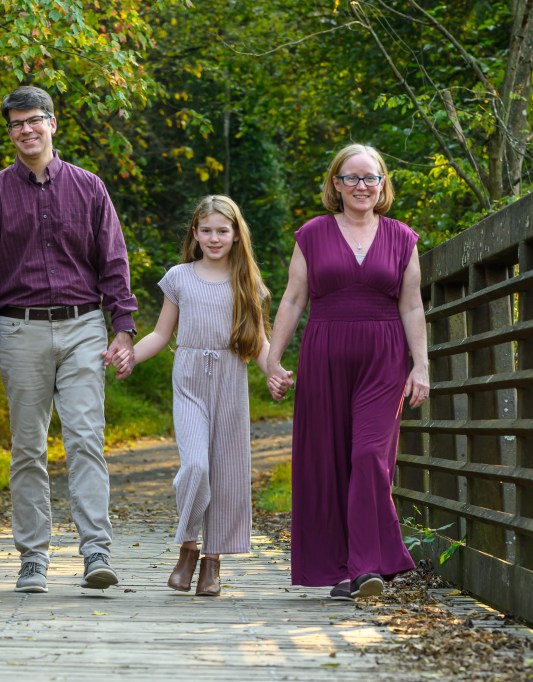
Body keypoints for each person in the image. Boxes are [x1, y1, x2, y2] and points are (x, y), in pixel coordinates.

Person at [0, 85, 137, 594]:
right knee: (28, 447)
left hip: (83, 327)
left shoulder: (90, 188)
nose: (26, 130)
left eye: (35, 120)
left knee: (85, 440)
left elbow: (114, 262)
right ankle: (33, 557)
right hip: (19, 328)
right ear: (9, 132)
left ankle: (96, 551)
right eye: (16, 124)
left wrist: (123, 327)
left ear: (53, 124)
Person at [266, 144, 429, 600]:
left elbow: (412, 305)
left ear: (383, 185)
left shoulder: (401, 237)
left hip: (384, 357)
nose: (362, 187)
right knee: (329, 461)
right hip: (325, 353)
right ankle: (348, 566)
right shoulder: (313, 234)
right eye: (352, 178)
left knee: (368, 457)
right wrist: (273, 360)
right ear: (336, 184)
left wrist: (422, 365)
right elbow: (294, 299)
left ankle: (369, 562)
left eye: (371, 178)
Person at [113, 195, 270, 596]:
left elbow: (261, 343)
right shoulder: (180, 276)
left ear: (236, 235)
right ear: (195, 234)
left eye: (222, 231)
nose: (214, 238)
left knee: (227, 472)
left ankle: (212, 562)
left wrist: (276, 371)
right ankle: (187, 548)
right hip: (189, 379)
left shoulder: (246, 281)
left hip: (231, 378)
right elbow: (161, 334)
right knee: (196, 466)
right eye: (206, 231)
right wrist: (131, 357)